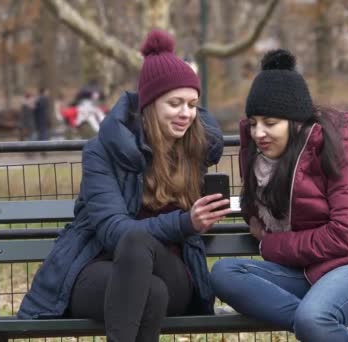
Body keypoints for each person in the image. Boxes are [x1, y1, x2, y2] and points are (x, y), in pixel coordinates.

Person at [17, 29, 229, 341]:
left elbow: (211, 131)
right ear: (149, 105)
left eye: (192, 104)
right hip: (101, 265)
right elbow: (113, 231)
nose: (186, 114)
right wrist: (186, 222)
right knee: (144, 274)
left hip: (172, 272)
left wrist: (182, 76)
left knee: (145, 261)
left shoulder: (193, 146)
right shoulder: (102, 151)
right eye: (174, 103)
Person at [209, 49, 348, 342]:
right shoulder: (264, 160)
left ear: (296, 121)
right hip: (312, 273)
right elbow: (259, 212)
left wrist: (271, 244)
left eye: (270, 122)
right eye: (253, 122)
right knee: (226, 273)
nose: (258, 133)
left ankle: (322, 325)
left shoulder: (343, 148)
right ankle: (341, 333)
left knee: (313, 318)